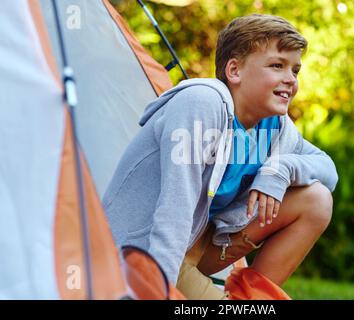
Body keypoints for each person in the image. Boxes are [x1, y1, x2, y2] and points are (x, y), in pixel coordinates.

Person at [103, 13, 338, 300]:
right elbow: (174, 209)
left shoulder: (273, 126)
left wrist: (280, 169)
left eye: (295, 70)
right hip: (145, 252)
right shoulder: (202, 104)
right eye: (277, 66)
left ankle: (246, 299)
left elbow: (328, 169)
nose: (290, 79)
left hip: (203, 245)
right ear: (234, 71)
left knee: (316, 199)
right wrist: (157, 289)